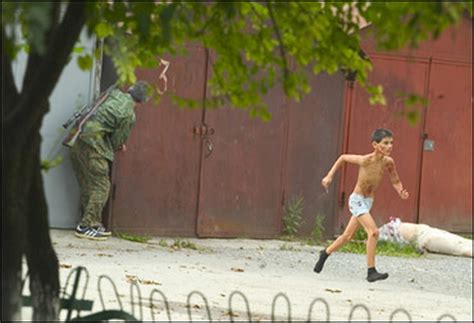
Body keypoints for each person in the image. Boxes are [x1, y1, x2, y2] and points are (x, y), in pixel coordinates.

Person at [314, 128, 409, 282]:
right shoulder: (365, 160)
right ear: (375, 145)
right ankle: (371, 271)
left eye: (391, 143)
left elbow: (395, 180)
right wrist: (329, 176)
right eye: (385, 143)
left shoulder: (388, 162)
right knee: (373, 232)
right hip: (357, 200)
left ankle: (325, 253)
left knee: (347, 236)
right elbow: (343, 158)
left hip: (368, 202)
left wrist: (400, 191)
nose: (390, 146)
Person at [70, 81, 149, 241]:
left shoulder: (114, 93)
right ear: (141, 102)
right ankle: (87, 226)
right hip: (93, 148)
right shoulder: (129, 114)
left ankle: (91, 222)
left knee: (89, 185)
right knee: (102, 186)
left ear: (130, 90)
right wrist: (120, 146)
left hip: (76, 141)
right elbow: (116, 142)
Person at [379, 217, 472, 258]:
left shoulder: (380, 232)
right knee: (460, 247)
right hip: (424, 239)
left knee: (462, 243)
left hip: (425, 232)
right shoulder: (381, 235)